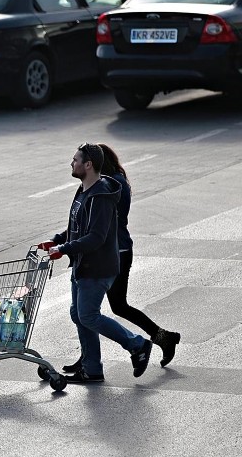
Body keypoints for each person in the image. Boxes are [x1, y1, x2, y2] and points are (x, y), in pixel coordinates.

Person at [38, 143, 153, 383]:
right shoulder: (84, 191)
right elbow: (76, 227)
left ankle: (138, 345)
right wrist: (56, 240)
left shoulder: (100, 196)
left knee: (88, 315)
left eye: (76, 160)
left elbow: (96, 237)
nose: (72, 163)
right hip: (82, 265)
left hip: (97, 266)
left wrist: (64, 249)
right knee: (78, 313)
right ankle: (91, 368)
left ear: (88, 165)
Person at [63, 144, 180, 374]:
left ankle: (155, 340)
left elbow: (98, 230)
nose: (75, 163)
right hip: (108, 251)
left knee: (101, 310)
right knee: (95, 310)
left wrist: (69, 245)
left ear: (93, 164)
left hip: (116, 252)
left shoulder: (108, 188)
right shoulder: (100, 185)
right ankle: (90, 359)